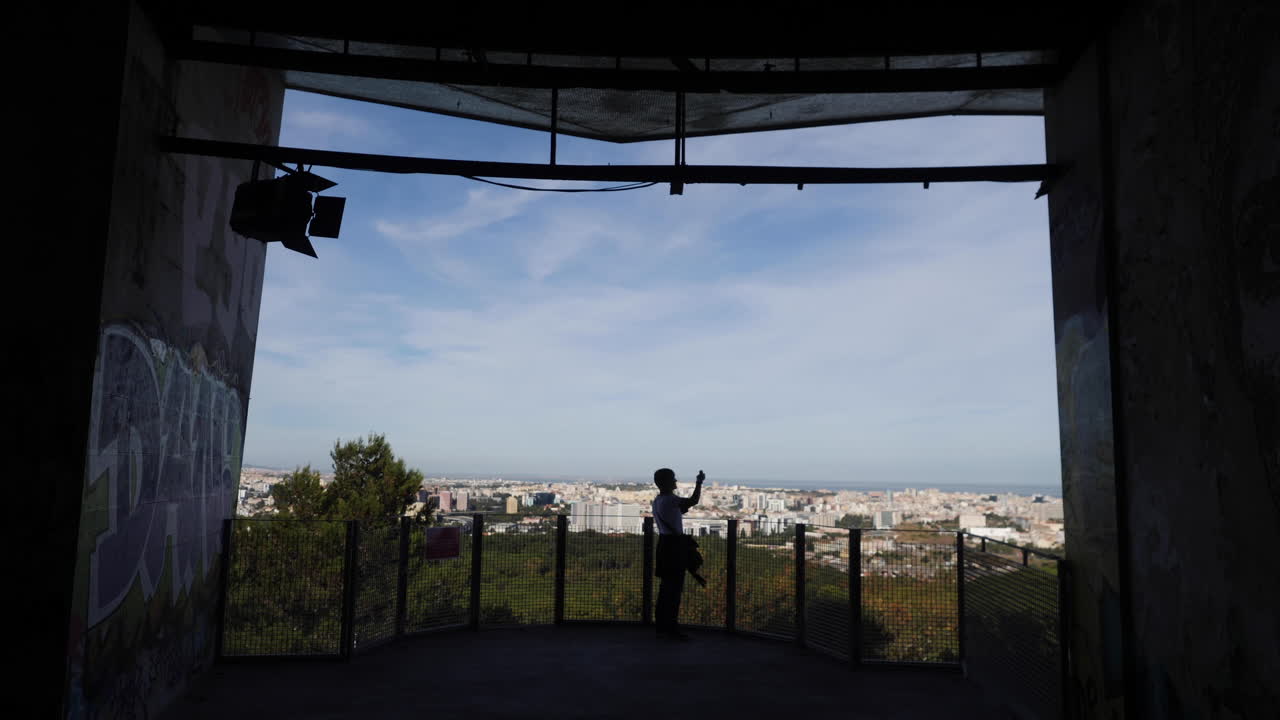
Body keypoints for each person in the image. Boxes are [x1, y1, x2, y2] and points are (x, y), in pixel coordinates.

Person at [652, 467, 704, 640]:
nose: (676, 481)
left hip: (664, 545)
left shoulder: (658, 501)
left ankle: (661, 625)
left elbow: (679, 511)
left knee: (665, 589)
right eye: (673, 478)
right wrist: (699, 482)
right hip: (674, 546)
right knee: (674, 590)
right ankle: (672, 628)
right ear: (666, 482)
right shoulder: (670, 500)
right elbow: (694, 500)